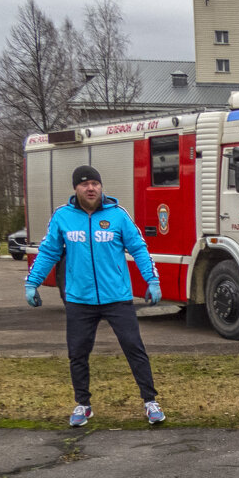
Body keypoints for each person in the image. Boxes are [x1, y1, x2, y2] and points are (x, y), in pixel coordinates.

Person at [25, 165, 165, 427]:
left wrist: (152, 280)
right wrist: (32, 282)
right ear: (75, 188)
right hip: (80, 300)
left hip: (117, 298)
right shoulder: (62, 217)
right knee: (77, 353)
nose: (90, 188)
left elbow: (140, 249)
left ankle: (150, 401)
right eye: (84, 184)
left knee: (134, 348)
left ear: (101, 186)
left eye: (95, 183)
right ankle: (83, 405)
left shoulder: (118, 215)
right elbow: (48, 252)